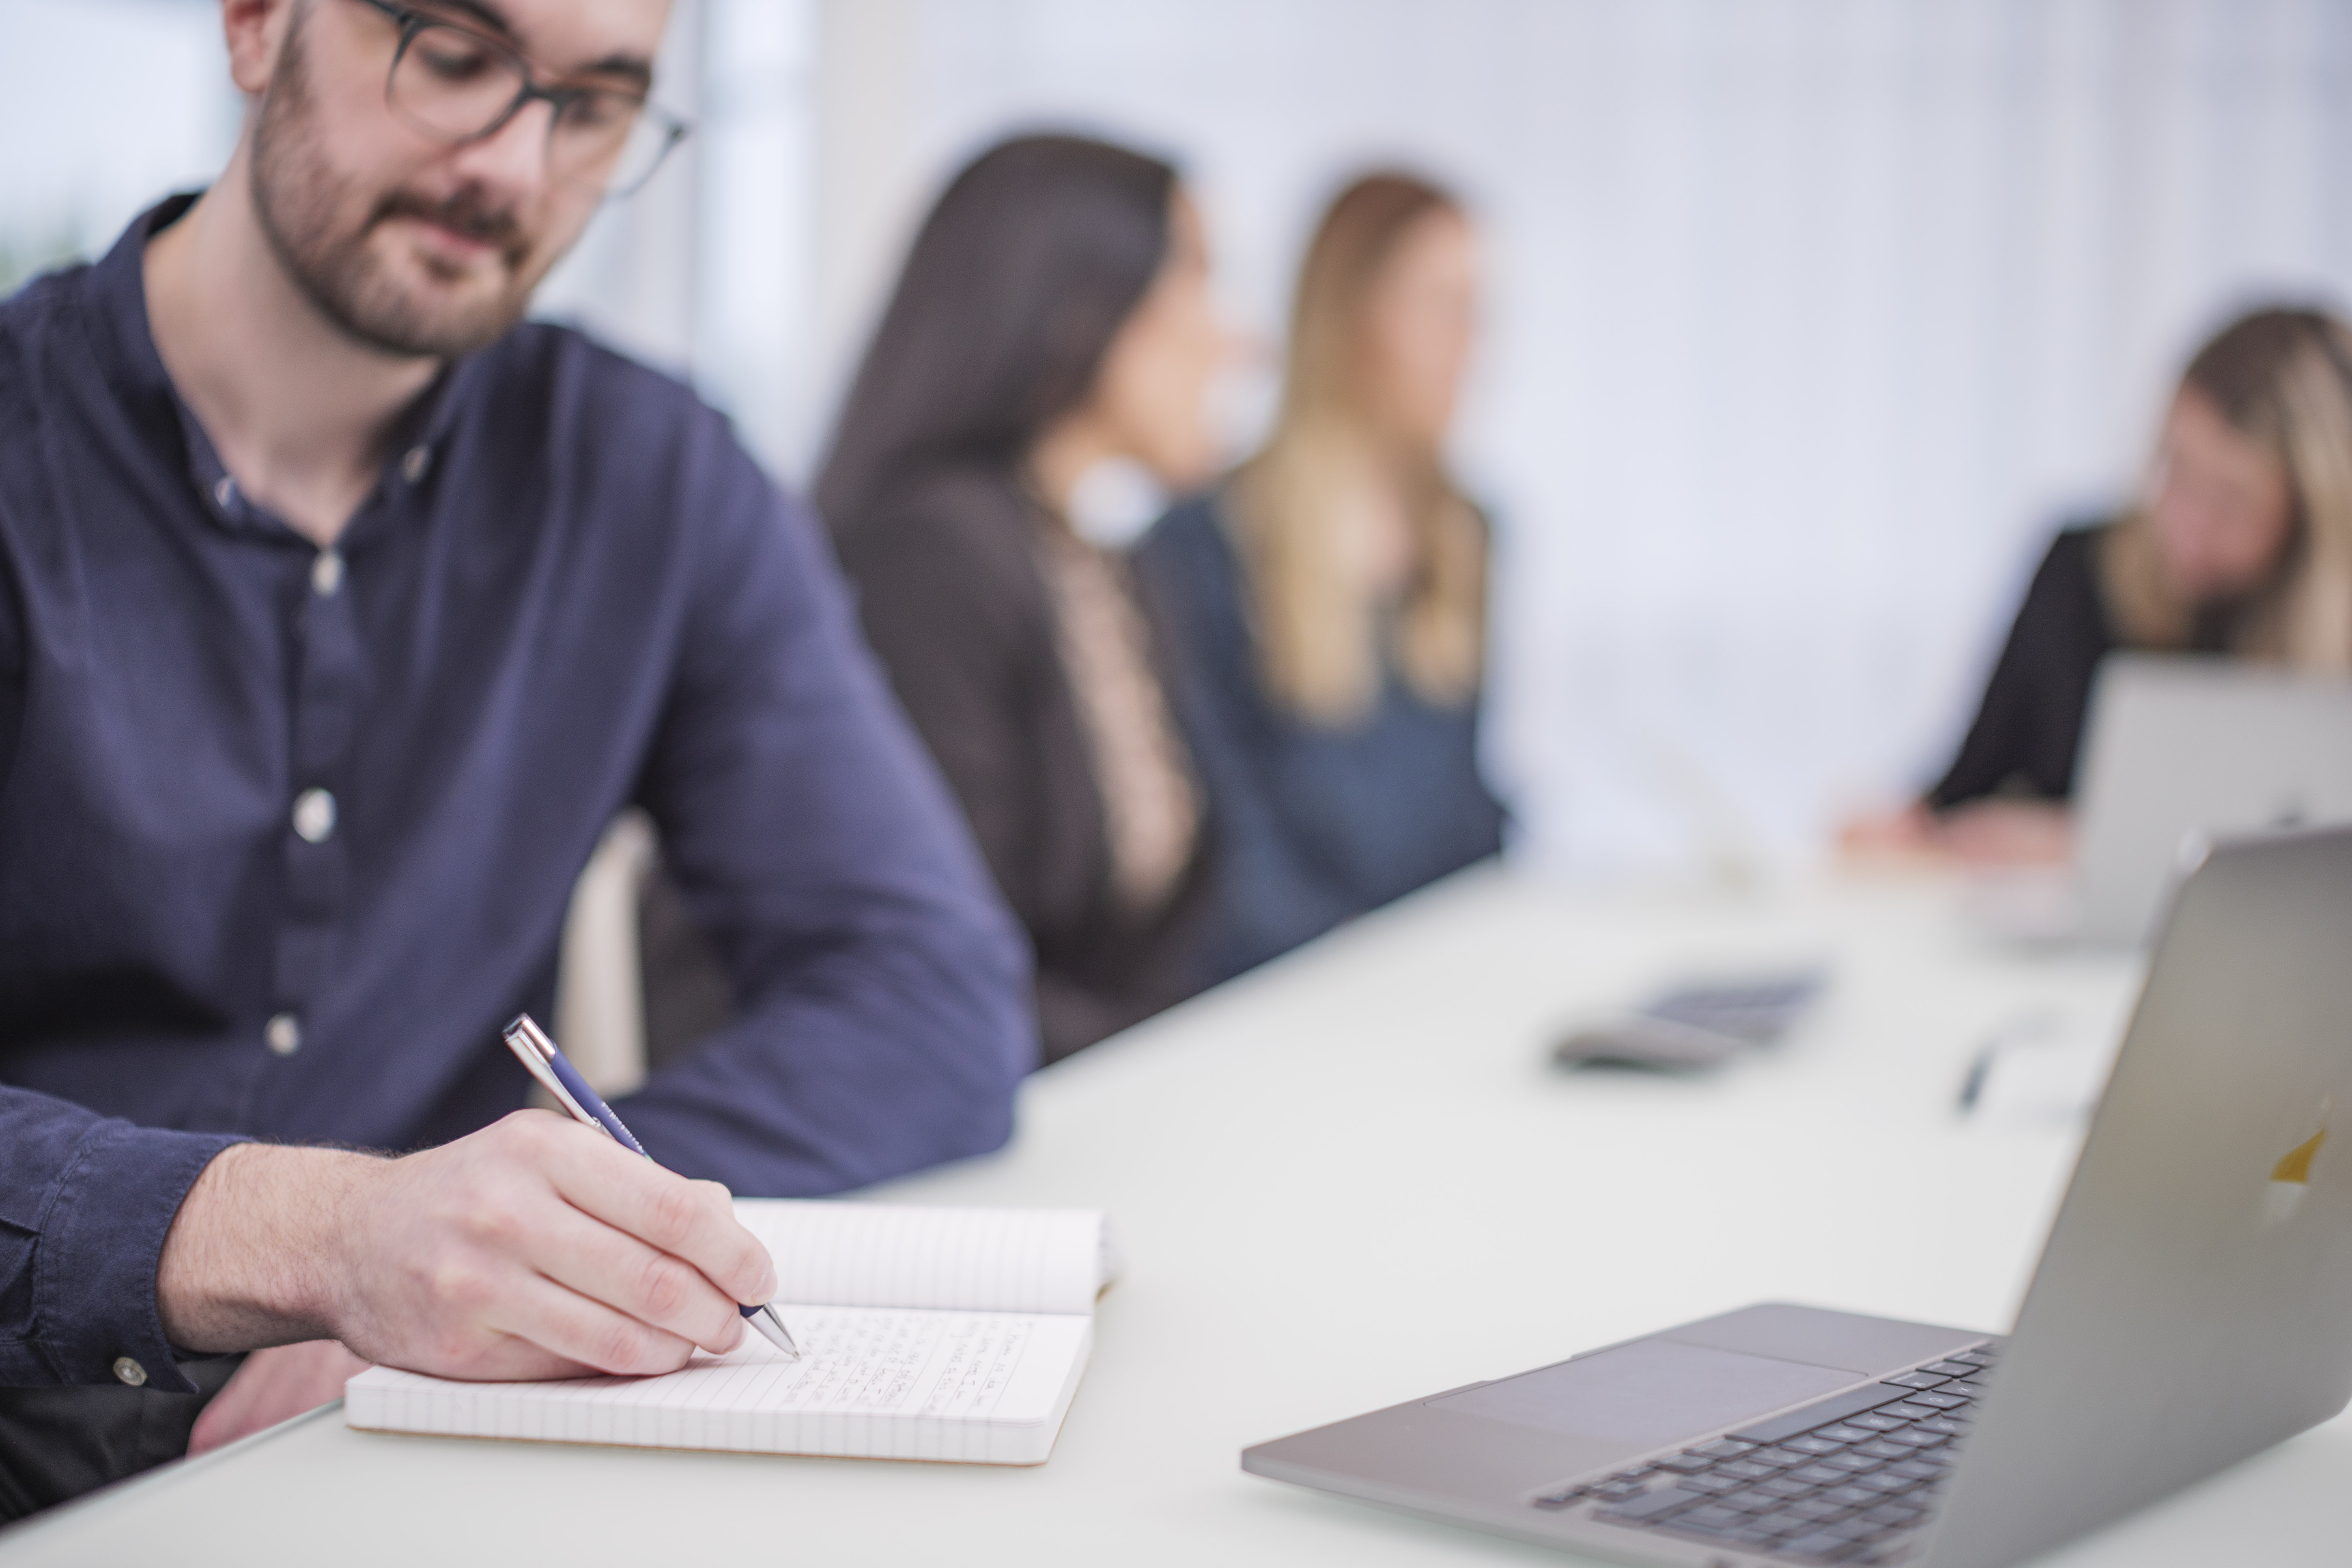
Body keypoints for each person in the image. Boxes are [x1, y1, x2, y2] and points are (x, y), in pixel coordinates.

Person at [0, 0, 1028, 1518]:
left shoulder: (649, 476)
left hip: (405, 1460)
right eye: (456, 55)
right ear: (255, 23)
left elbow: (925, 991)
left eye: (596, 104)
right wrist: (317, 1243)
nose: (516, 164)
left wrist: (509, 1250)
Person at [819, 134, 1229, 1066]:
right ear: (1078, 306)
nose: (1233, 335)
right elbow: (944, 975)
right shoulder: (929, 556)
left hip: (1086, 1097)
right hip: (960, 1133)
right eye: (1196, 276)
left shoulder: (1104, 564)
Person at [1134, 172, 1505, 985]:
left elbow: (1471, 814)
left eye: (1479, 310)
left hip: (1439, 993)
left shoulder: (1466, 537)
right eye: (1442, 305)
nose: (1471, 344)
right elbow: (1228, 859)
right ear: (1350, 316)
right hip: (1285, 1000)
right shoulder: (1203, 544)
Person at [1846, 308, 2352, 865]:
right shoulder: (2079, 566)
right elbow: (1967, 785)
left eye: (2229, 500)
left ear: (2310, 512)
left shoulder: (2332, 653)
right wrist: (1911, 826)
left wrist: (2088, 848)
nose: (2186, 524)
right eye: (2175, 468)